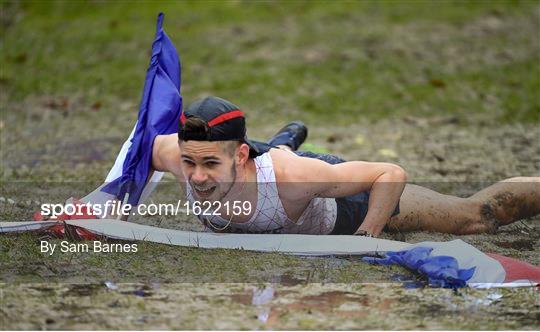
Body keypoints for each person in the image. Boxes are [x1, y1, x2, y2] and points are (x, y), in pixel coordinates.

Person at [151, 96, 540, 237]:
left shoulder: (294, 177)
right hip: (271, 166)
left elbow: (390, 173)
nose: (197, 177)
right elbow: (133, 163)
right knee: (277, 156)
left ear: (238, 155)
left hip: (343, 204)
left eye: (209, 164)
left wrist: (367, 234)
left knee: (479, 217)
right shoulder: (170, 152)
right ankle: (282, 140)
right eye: (190, 162)